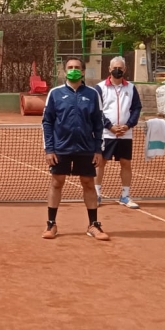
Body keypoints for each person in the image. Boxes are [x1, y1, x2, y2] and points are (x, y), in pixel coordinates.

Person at [41, 57, 109, 241]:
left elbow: (98, 123)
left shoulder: (93, 94)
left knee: (88, 184)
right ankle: (51, 224)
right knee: (57, 183)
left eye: (77, 68)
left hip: (86, 148)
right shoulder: (55, 94)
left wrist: (98, 150)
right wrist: (49, 149)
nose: (73, 70)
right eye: (70, 67)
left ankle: (93, 225)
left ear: (83, 71)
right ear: (64, 71)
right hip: (61, 147)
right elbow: (47, 122)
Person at [94, 56, 142, 208]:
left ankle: (125, 196)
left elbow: (136, 108)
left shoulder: (131, 87)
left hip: (125, 134)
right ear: (109, 69)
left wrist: (128, 125)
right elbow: (96, 110)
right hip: (106, 134)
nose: (117, 70)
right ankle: (96, 194)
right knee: (101, 163)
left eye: (120, 68)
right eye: (114, 68)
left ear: (125, 70)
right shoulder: (100, 87)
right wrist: (109, 126)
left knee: (126, 163)